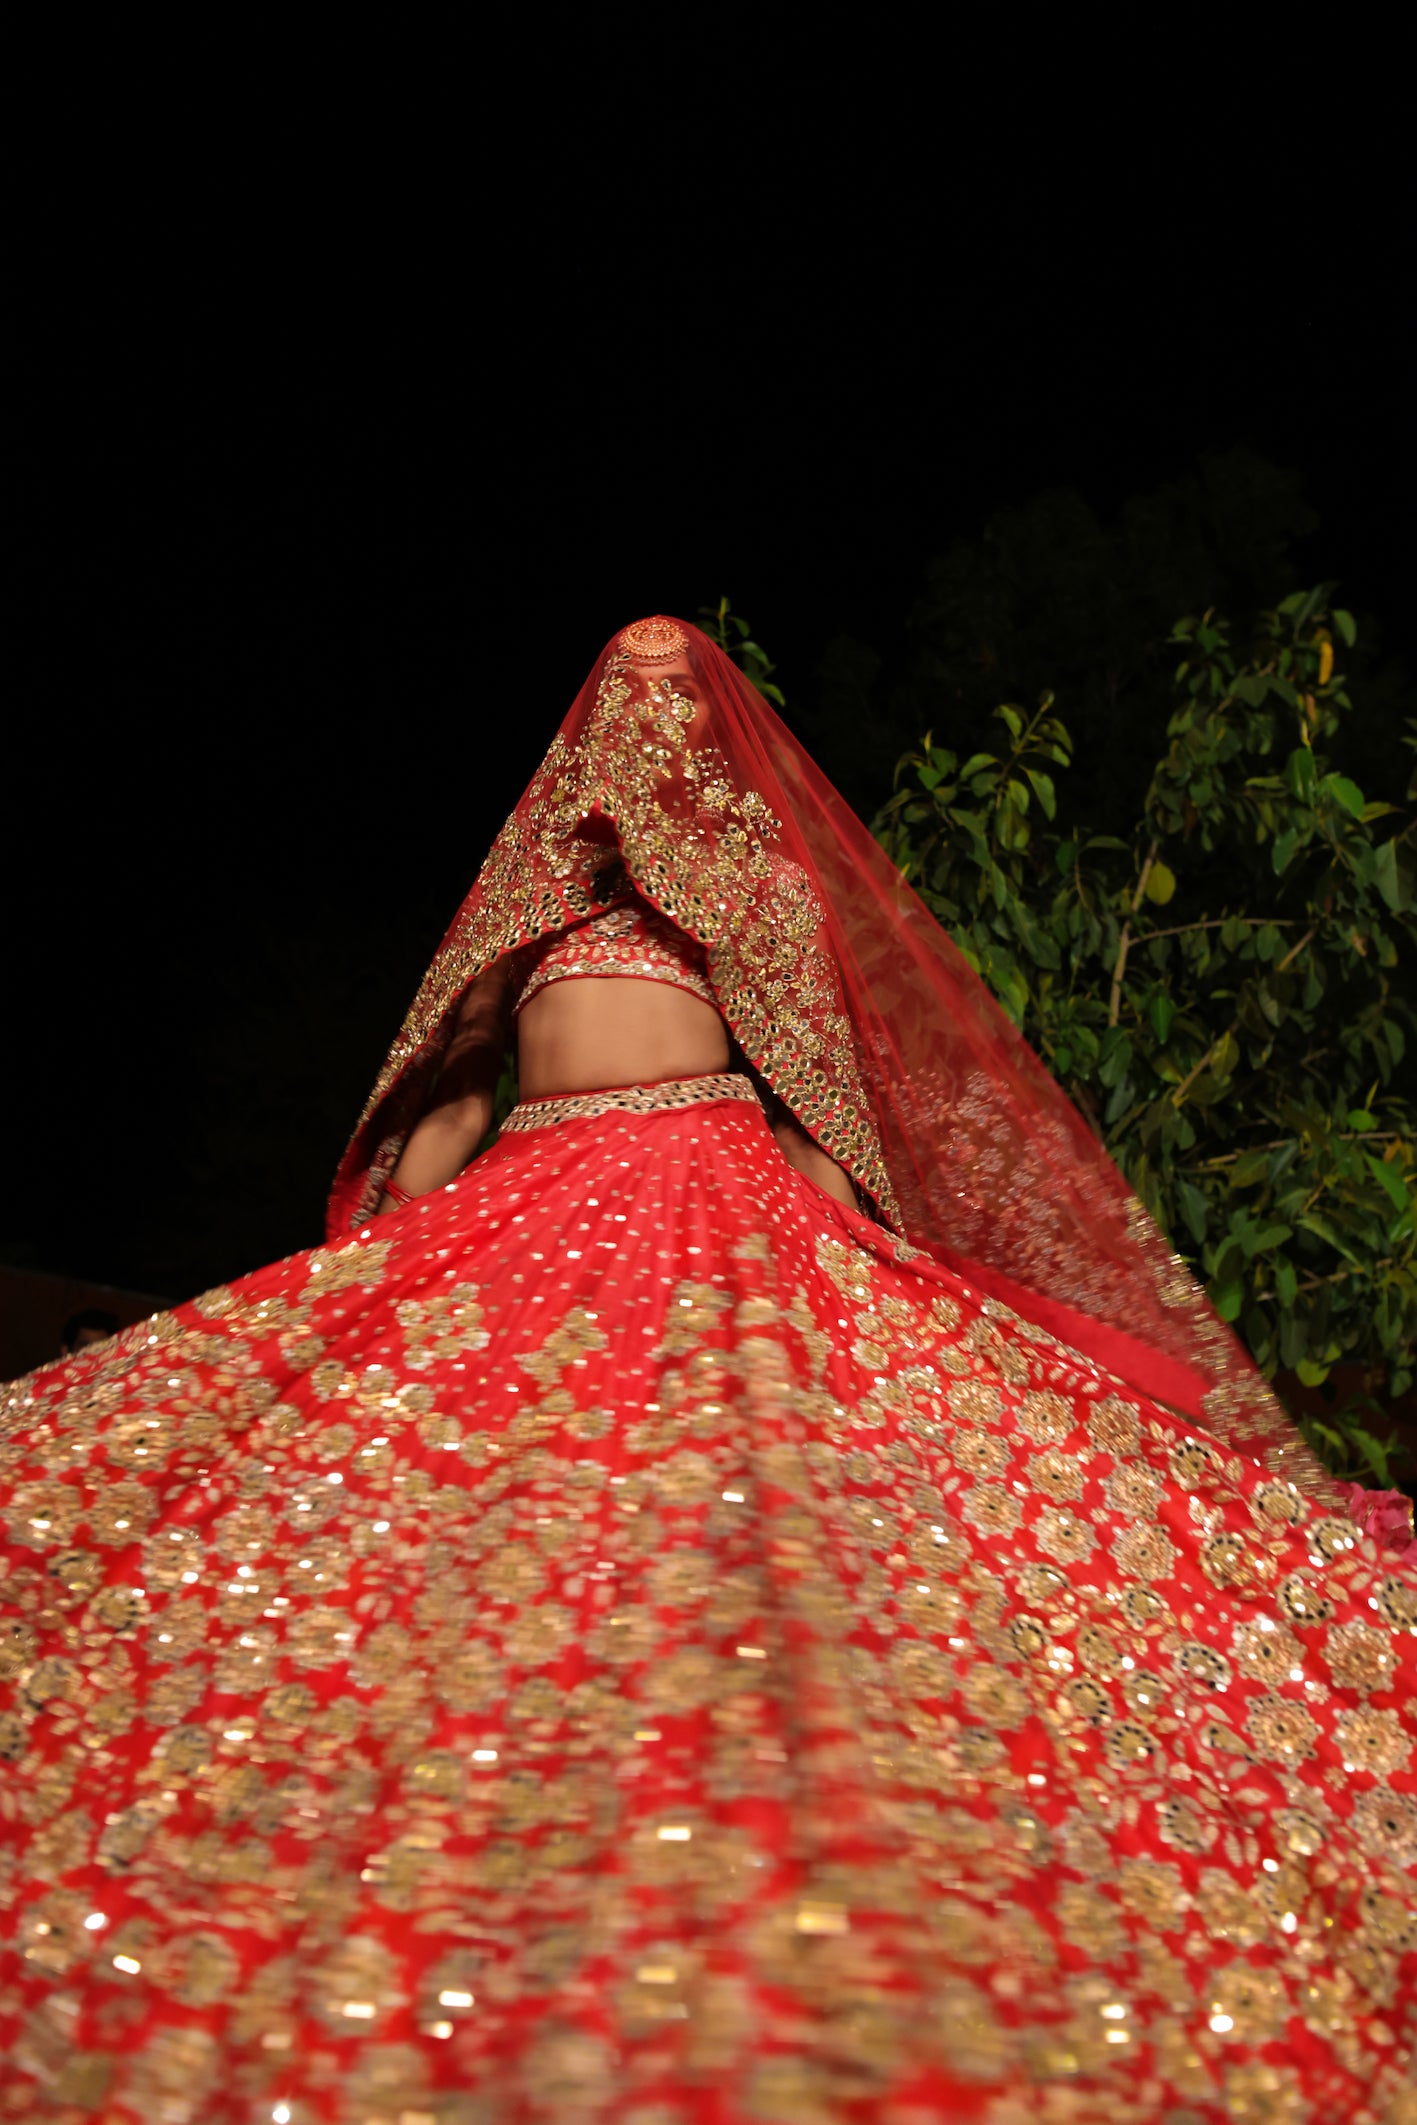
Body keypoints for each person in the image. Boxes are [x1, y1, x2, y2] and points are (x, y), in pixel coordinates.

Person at [2, 616, 1415, 2125]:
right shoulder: (531, 917)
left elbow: (816, 1095)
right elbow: (451, 1091)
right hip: (522, 1215)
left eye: (672, 702)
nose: (643, 728)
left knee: (723, 1519)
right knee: (461, 1537)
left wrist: (863, 1260)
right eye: (624, 698)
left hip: (709, 1204)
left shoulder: (747, 891)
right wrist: (380, 1257)